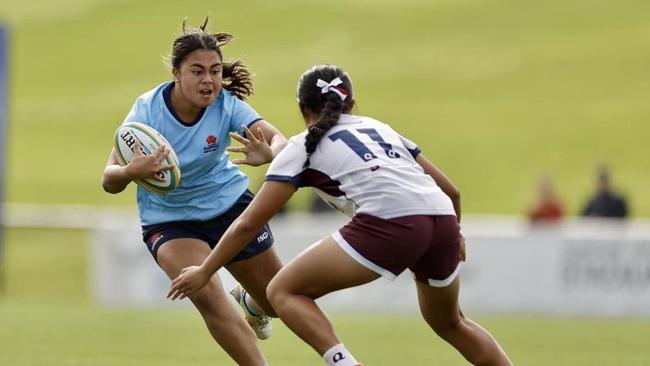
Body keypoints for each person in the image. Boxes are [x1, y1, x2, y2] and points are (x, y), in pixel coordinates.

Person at [168, 64, 513, 366]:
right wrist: (457, 234)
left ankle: (344, 362)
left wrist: (206, 270)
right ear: (353, 103)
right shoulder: (380, 128)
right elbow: (451, 191)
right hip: (443, 220)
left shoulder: (303, 144)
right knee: (453, 324)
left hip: (390, 223)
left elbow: (248, 223)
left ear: (303, 108)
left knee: (283, 290)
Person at [102, 18, 287, 366]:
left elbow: (280, 141)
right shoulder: (146, 111)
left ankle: (252, 303)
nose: (209, 80)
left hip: (230, 207)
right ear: (176, 74)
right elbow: (108, 180)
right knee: (208, 297)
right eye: (197, 71)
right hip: (170, 220)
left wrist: (270, 153)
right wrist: (130, 171)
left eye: (215, 71)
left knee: (279, 301)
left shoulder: (227, 105)